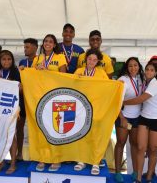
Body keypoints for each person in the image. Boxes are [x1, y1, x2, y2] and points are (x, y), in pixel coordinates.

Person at [124, 63, 157, 182]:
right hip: (144, 118)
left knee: (153, 149)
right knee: (140, 148)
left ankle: (149, 176)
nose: (148, 72)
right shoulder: (144, 83)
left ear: (155, 73)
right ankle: (138, 177)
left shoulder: (155, 84)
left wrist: (123, 103)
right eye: (147, 69)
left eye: (152, 70)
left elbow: (141, 99)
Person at [32, 34, 67, 171]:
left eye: (50, 41)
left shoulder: (60, 57)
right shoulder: (37, 58)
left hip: (55, 96)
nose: (47, 43)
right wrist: (25, 71)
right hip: (40, 97)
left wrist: (47, 72)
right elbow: (32, 76)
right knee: (42, 128)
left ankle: (56, 158)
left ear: (54, 45)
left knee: (56, 128)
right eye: (46, 41)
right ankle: (42, 157)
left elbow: (64, 77)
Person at [73, 49, 108, 175]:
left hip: (96, 107)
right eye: (89, 59)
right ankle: (81, 160)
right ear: (85, 59)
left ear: (97, 61)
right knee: (82, 133)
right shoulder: (79, 71)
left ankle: (95, 161)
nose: (91, 62)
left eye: (94, 60)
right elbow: (71, 85)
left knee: (96, 135)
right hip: (81, 107)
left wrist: (118, 84)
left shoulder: (101, 72)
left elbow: (108, 87)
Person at [114, 57, 144, 182]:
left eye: (135, 65)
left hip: (137, 117)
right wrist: (122, 118)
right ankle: (117, 171)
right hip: (124, 117)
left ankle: (135, 172)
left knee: (135, 144)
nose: (133, 68)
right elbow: (116, 101)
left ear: (139, 66)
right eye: (130, 66)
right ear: (127, 67)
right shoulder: (122, 80)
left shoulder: (141, 79)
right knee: (120, 143)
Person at [0, 50, 21, 174]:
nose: (6, 61)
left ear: (12, 60)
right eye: (4, 59)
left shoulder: (16, 72)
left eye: (9, 59)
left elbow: (22, 89)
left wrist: (17, 86)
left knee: (12, 136)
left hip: (12, 109)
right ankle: (1, 160)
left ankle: (13, 163)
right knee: (0, 135)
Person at [17, 38, 38, 162]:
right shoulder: (22, 62)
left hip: (35, 98)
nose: (25, 49)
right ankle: (19, 153)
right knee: (20, 127)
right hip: (23, 98)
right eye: (24, 47)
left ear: (35, 48)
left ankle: (37, 155)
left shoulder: (40, 60)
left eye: (28, 47)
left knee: (37, 128)